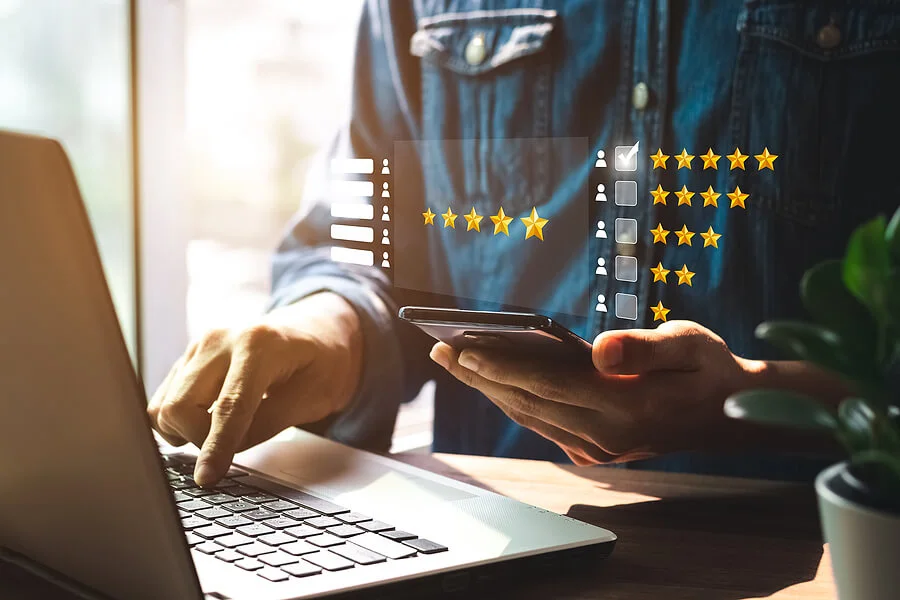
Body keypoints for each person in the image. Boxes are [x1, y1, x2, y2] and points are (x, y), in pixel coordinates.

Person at [147, 2, 900, 487]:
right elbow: (364, 231)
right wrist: (323, 328)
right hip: (487, 539)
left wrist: (745, 402)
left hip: (826, 551)